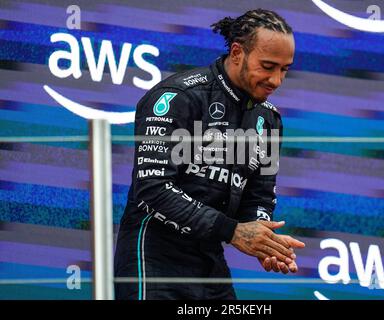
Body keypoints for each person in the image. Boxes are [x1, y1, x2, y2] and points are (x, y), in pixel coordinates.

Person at [114, 8, 305, 300]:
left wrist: (265, 241)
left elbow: (259, 196)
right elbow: (152, 187)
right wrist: (234, 232)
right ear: (237, 52)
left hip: (209, 261)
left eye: (284, 69)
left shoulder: (269, 120)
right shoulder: (179, 97)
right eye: (267, 66)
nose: (276, 80)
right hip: (153, 258)